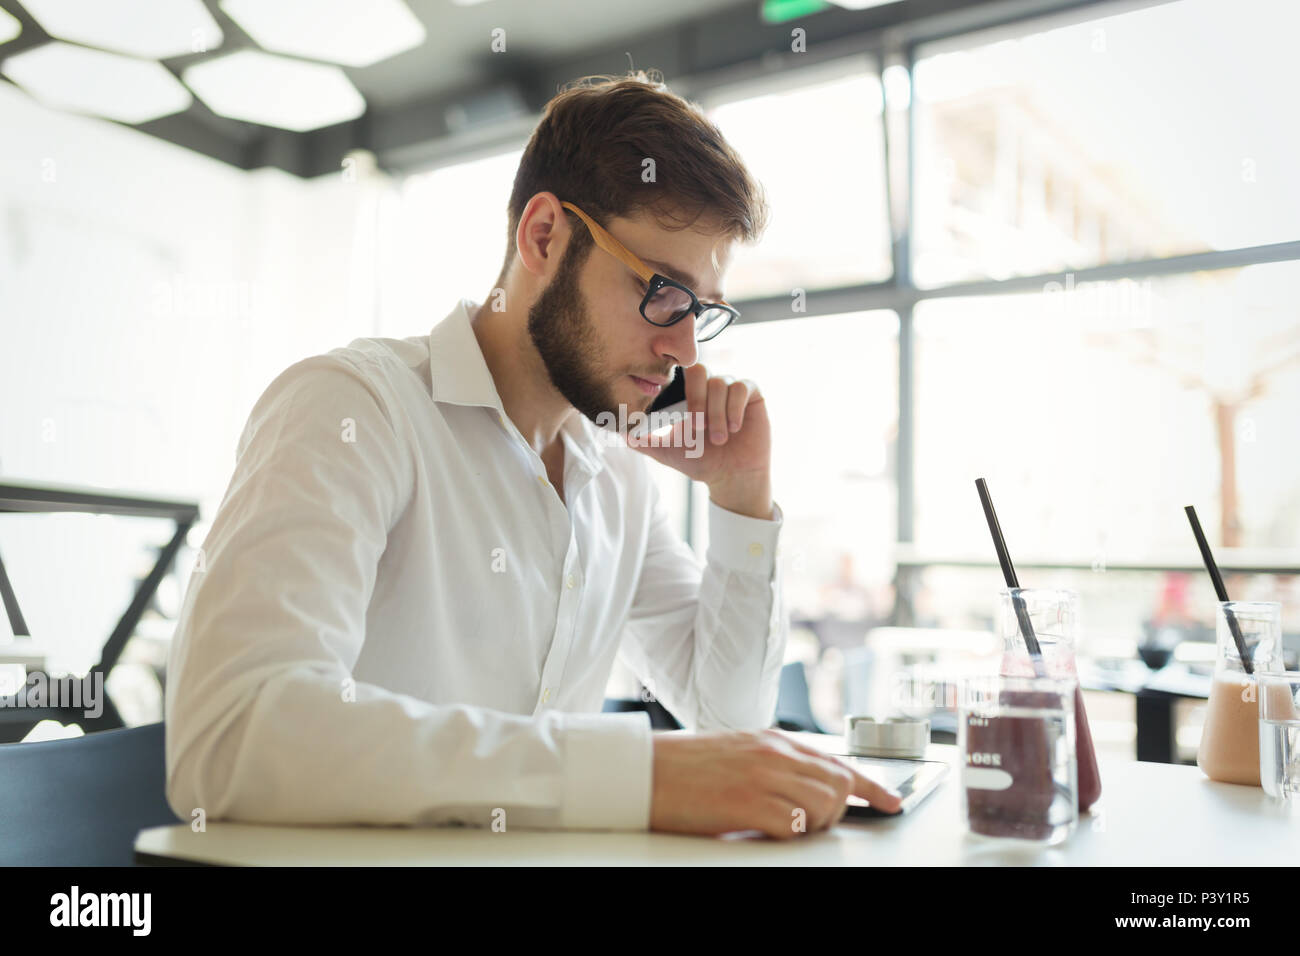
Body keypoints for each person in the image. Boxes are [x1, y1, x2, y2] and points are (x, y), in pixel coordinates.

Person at [164, 71, 901, 841]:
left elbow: (729, 715)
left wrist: (741, 498)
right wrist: (636, 776)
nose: (683, 347)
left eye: (701, 313)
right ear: (544, 235)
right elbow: (231, 734)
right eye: (663, 293)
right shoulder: (353, 408)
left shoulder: (617, 475)